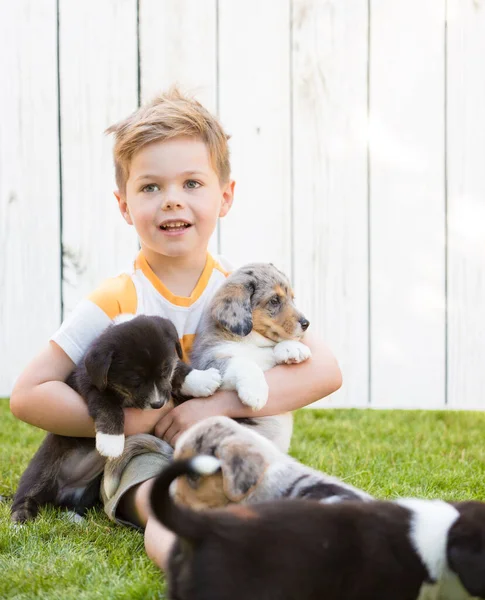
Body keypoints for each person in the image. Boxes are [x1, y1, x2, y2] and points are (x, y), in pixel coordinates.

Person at [9, 88, 342, 570]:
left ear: (225, 196)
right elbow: (28, 394)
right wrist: (132, 421)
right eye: (150, 187)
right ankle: (196, 568)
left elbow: (326, 371)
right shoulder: (116, 298)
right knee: (167, 501)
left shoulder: (239, 289)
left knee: (264, 484)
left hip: (222, 431)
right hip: (140, 452)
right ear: (124, 205)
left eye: (191, 183)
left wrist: (214, 405)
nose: (171, 201)